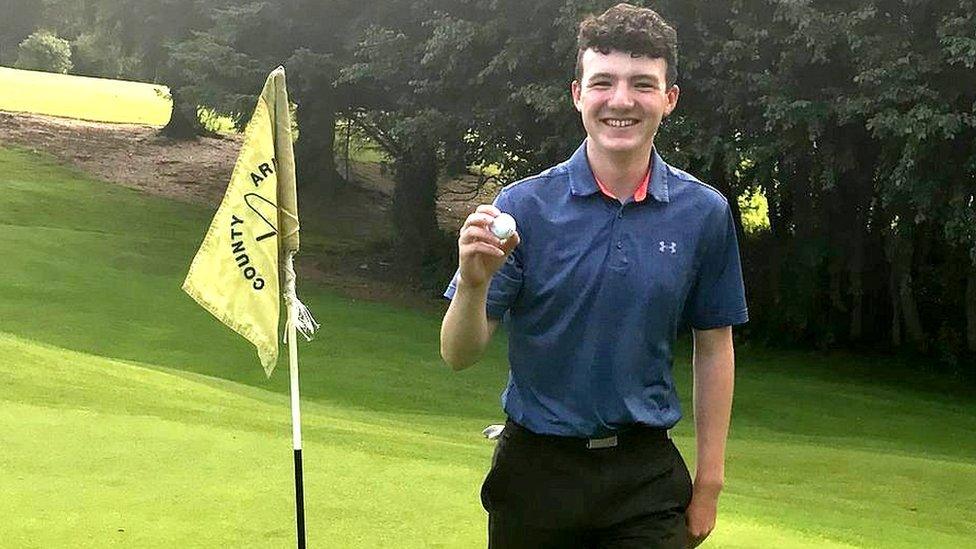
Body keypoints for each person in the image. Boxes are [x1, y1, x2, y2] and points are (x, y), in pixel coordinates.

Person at [440, 3, 748, 548]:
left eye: (642, 84)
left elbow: (714, 345)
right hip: (535, 473)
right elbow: (458, 354)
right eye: (602, 82)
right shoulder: (524, 207)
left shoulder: (703, 213)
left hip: (644, 479)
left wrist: (710, 483)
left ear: (669, 99)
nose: (621, 100)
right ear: (578, 94)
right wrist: (473, 283)